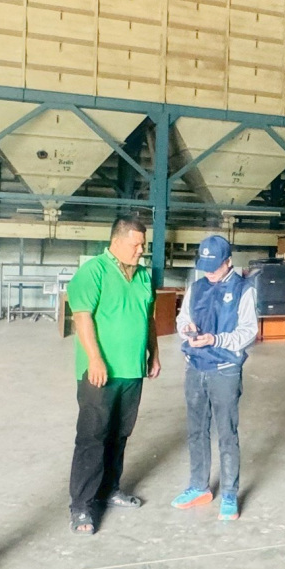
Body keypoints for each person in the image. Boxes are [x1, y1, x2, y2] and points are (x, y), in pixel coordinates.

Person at [67, 214, 161, 534]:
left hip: (132, 371)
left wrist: (154, 354)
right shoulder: (93, 271)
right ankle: (82, 505)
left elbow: (148, 318)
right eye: (136, 245)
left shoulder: (144, 276)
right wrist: (95, 359)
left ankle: (109, 489)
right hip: (100, 373)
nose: (141, 250)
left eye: (143, 245)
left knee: (119, 434)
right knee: (92, 437)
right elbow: (82, 317)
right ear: (117, 241)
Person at [171, 235, 258, 521]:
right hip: (195, 366)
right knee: (196, 430)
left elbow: (248, 331)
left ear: (228, 262)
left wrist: (216, 339)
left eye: (214, 266)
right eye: (205, 266)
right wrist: (187, 330)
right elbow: (182, 318)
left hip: (225, 370)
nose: (208, 272)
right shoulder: (196, 287)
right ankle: (199, 487)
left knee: (226, 432)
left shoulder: (243, 289)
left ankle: (230, 493)